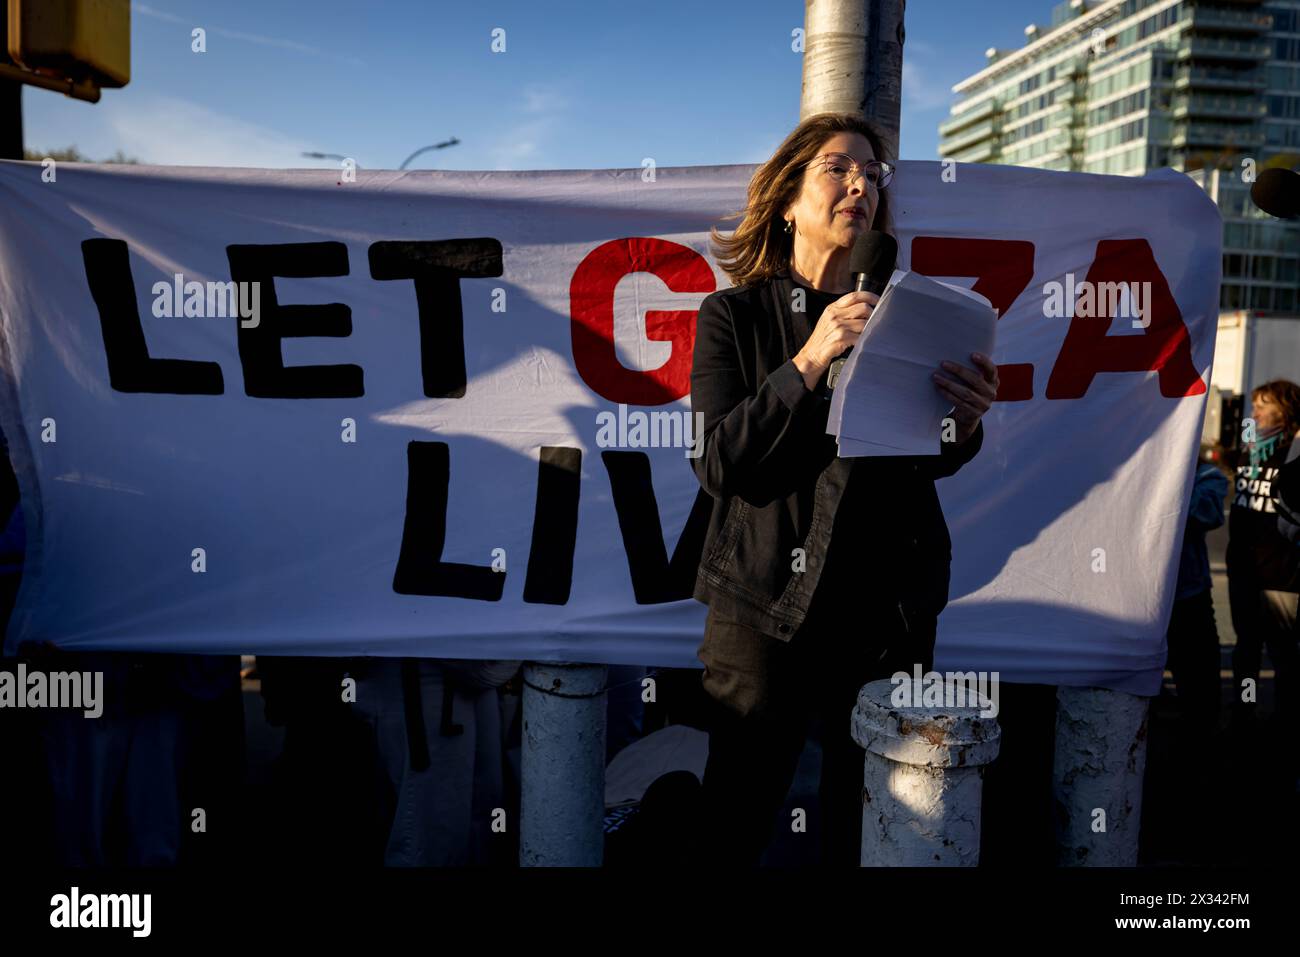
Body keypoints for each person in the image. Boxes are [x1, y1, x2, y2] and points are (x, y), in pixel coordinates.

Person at [688, 112, 996, 866]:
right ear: (788, 200)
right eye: (838, 167)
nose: (862, 183)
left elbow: (931, 458)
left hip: (885, 609)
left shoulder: (910, 315)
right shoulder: (733, 316)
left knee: (877, 824)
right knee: (735, 816)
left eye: (874, 174)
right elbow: (721, 462)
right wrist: (811, 359)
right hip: (765, 608)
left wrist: (964, 417)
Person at [1226, 380, 1300, 744]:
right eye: (1254, 404)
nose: (1255, 412)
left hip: (1282, 573)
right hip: (1243, 566)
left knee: (1283, 653)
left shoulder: (1293, 451)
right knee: (1246, 649)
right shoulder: (1249, 447)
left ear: (1285, 411)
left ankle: (1284, 721)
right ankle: (1245, 712)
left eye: (1264, 405)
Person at [1162, 455, 1227, 757]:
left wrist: (1168, 479)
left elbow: (1208, 512)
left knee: (1200, 686)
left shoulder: (1206, 474)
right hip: (1139, 601)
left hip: (1188, 597)